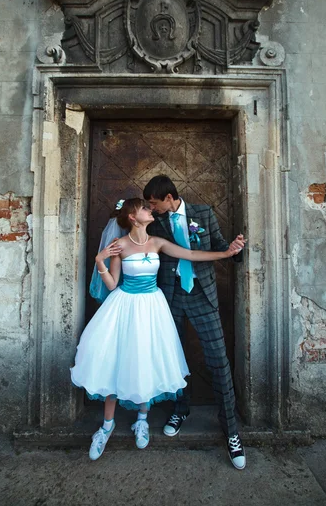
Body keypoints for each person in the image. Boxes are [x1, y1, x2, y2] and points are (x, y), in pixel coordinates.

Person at [70, 198, 243, 461]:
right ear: (132, 216)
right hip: (124, 307)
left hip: (152, 308)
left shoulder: (157, 242)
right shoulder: (120, 246)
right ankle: (106, 426)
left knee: (145, 360)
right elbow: (113, 284)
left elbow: (192, 255)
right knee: (115, 361)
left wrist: (226, 254)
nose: (150, 211)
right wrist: (100, 261)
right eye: (144, 209)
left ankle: (142, 419)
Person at [143, 175, 247, 470]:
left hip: (203, 296)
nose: (152, 208)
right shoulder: (153, 221)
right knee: (175, 360)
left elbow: (219, 246)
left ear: (169, 197)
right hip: (169, 298)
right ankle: (180, 408)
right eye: (148, 205)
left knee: (218, 361)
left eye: (154, 202)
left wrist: (234, 249)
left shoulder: (203, 213)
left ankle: (231, 430)